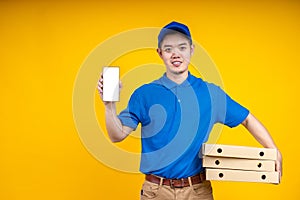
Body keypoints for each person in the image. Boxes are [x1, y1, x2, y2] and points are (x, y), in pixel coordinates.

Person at [97, 21, 282, 200]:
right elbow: (117, 135)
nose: (175, 54)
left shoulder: (211, 93)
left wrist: (273, 150)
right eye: (168, 49)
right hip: (156, 192)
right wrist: (109, 106)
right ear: (160, 53)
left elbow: (247, 119)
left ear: (191, 50)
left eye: (182, 48)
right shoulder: (144, 94)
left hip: (198, 192)